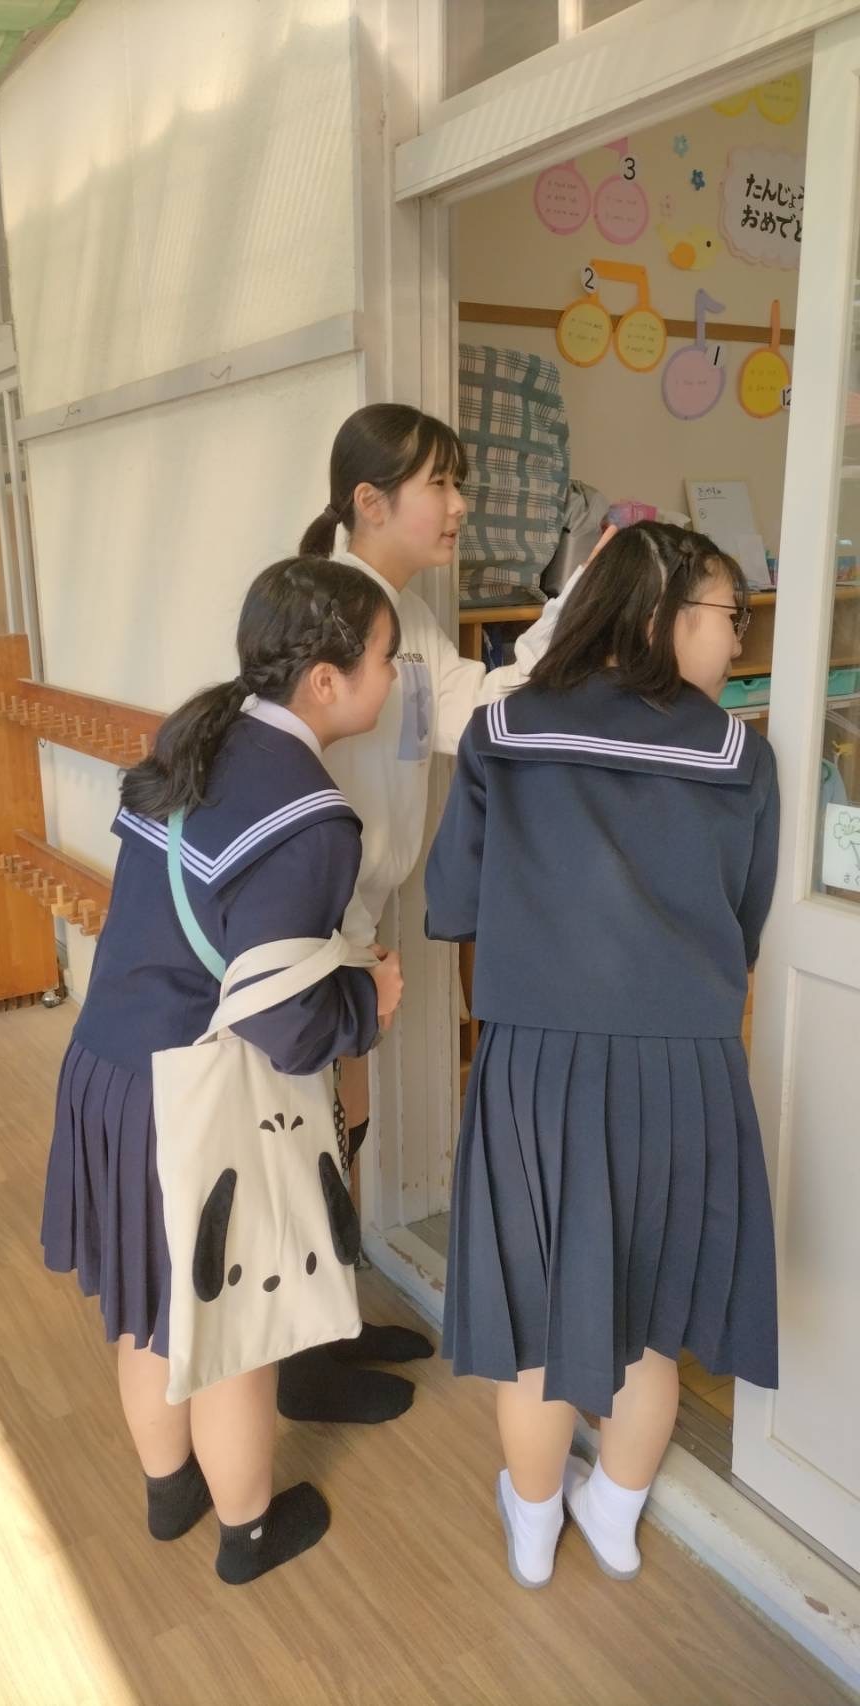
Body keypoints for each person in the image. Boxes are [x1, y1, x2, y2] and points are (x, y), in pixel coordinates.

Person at [425, 522, 780, 1589]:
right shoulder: (739, 754)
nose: (737, 638)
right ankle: (615, 1515)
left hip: (534, 1064)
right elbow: (745, 923)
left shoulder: (505, 729)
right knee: (650, 1323)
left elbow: (454, 901)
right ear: (663, 616)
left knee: (541, 1318)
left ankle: (534, 1530)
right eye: (728, 615)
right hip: (685, 1068)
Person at [41, 557, 404, 1585]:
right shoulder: (314, 818)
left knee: (150, 1303)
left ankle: (171, 1490)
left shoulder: (196, 735)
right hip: (191, 1103)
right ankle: (247, 1531)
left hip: (110, 1068)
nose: (395, 676)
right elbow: (283, 1021)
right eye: (388, 658)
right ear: (326, 680)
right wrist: (369, 1002)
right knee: (230, 1330)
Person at [292, 403, 614, 1421]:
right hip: (307, 919)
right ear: (370, 500)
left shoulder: (401, 612)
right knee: (305, 1132)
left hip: (355, 915)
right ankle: (300, 1357)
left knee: (342, 1120)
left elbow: (478, 705)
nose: (460, 505)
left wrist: (574, 603)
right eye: (440, 483)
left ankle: (329, 1320)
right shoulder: (326, 612)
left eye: (458, 482)